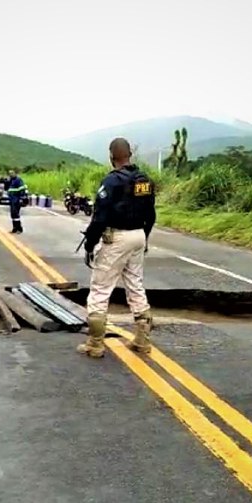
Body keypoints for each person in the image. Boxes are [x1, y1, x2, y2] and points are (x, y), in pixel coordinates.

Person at [77, 137, 156, 359]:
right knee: (135, 285)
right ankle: (142, 341)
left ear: (111, 157)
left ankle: (95, 344)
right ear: (130, 154)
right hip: (138, 235)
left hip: (117, 238)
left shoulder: (111, 181)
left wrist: (90, 244)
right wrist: (144, 238)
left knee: (100, 289)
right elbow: (151, 215)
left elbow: (99, 218)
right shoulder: (145, 180)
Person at [6, 169, 27, 234]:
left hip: (16, 199)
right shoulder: (11, 180)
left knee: (16, 214)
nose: (10, 174)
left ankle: (19, 229)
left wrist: (21, 198)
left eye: (12, 173)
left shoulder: (18, 180)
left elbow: (22, 189)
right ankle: (14, 228)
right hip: (12, 199)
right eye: (9, 173)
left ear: (15, 173)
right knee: (13, 214)